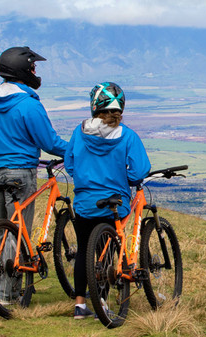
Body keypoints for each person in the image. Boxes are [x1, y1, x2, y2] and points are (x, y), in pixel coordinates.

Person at [0, 46, 68, 305]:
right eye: (33, 67)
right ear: (23, 70)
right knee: (18, 232)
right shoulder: (28, 104)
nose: (35, 71)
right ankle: (9, 295)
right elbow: (49, 141)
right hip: (20, 171)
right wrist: (75, 150)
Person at [65, 81, 151, 319]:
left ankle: (80, 305)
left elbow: (70, 164)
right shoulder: (128, 136)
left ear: (94, 106)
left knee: (84, 250)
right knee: (108, 252)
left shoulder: (79, 131)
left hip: (84, 203)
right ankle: (103, 301)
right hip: (116, 203)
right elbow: (139, 172)